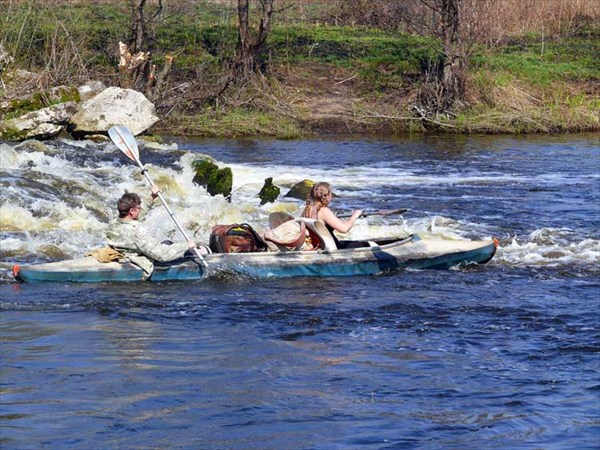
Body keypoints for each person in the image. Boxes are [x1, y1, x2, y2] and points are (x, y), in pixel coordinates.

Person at [106, 186, 208, 278]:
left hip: (126, 251)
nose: (140, 209)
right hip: (138, 257)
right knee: (178, 248)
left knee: (167, 242)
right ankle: (203, 251)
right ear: (132, 211)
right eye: (138, 207)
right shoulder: (137, 231)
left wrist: (152, 198)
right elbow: (162, 255)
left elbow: (136, 217)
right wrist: (186, 245)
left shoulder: (114, 223)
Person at [301, 182, 364, 249]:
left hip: (319, 246)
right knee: (365, 244)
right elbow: (344, 229)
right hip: (331, 248)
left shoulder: (307, 209)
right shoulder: (324, 211)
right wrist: (355, 214)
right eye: (331, 193)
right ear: (326, 196)